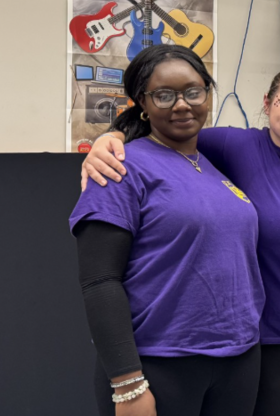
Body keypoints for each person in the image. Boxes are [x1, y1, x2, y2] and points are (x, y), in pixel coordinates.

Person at [79, 66, 280, 416]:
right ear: (267, 103)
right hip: (263, 337)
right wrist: (109, 138)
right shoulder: (234, 144)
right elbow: (168, 126)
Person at [69, 44, 264, 416]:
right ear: (142, 102)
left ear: (207, 93)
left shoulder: (212, 165)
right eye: (164, 95)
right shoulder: (119, 168)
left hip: (237, 359)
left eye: (194, 91)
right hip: (159, 364)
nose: (182, 105)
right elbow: (100, 280)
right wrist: (127, 384)